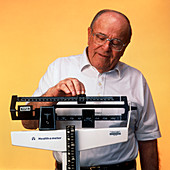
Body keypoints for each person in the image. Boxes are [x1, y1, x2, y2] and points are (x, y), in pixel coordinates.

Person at [22, 9, 161, 170]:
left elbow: (148, 138)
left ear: (125, 46)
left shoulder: (136, 79)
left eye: (115, 42)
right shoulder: (59, 68)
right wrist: (51, 96)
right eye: (101, 38)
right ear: (89, 34)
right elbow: (28, 122)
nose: (106, 47)